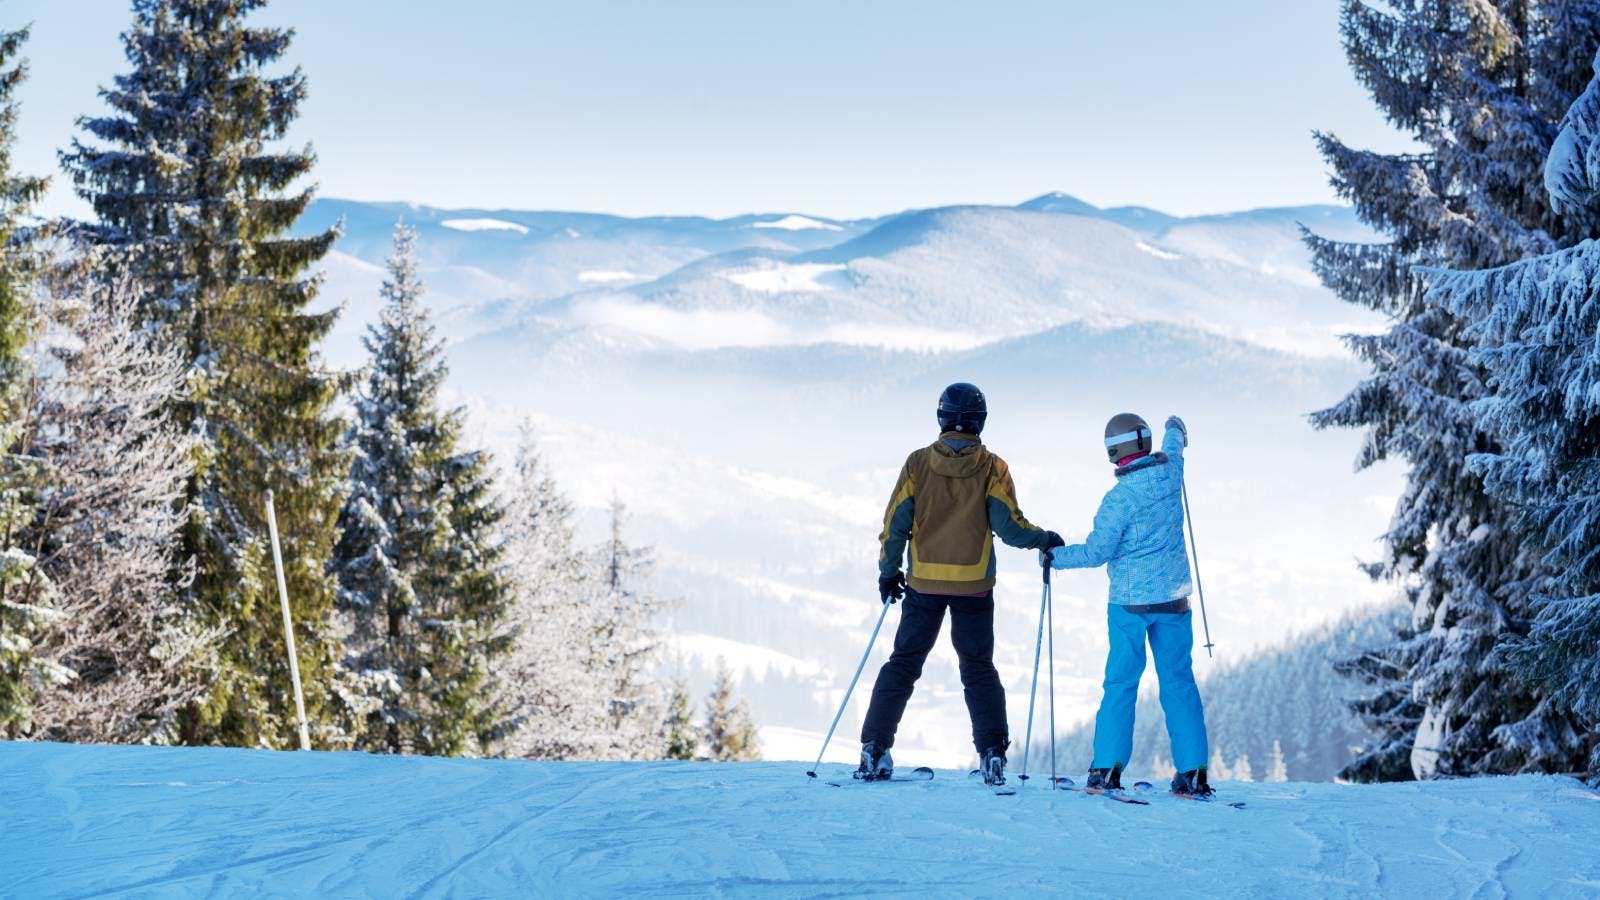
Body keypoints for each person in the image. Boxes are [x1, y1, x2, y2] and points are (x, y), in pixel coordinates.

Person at [859, 382, 1062, 785]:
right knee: (978, 667)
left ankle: (874, 749)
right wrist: (1045, 538)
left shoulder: (917, 464)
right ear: (980, 422)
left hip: (924, 583)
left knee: (903, 663)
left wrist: (888, 572)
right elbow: (1009, 527)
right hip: (974, 584)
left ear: (941, 417)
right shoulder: (992, 467)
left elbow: (894, 524)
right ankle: (992, 755)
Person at [1043, 413, 1213, 797]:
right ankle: (1193, 773)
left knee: (1121, 683)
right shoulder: (1171, 473)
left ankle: (1105, 768)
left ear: (1113, 453)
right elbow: (1175, 443)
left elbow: (1097, 552)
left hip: (1129, 606)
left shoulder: (1119, 500)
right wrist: (1175, 427)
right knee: (1178, 682)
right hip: (1174, 600)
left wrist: (1054, 556)